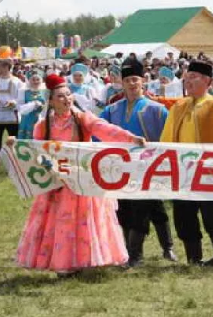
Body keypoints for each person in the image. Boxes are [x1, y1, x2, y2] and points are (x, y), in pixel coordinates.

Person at [8, 74, 145, 277]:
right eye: (61, 96)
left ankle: (85, 260)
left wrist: (130, 138)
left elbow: (105, 129)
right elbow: (33, 149)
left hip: (83, 181)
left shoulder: (82, 119)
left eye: (68, 95)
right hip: (57, 182)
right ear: (51, 101)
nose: (67, 99)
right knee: (60, 222)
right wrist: (15, 143)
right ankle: (62, 263)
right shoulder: (43, 126)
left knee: (83, 221)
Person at [160, 60, 213, 273]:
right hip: (182, 170)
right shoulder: (178, 107)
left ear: (208, 82)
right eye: (187, 76)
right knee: (184, 216)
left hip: (210, 171)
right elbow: (166, 140)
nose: (188, 80)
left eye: (194, 76)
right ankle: (193, 259)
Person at [99, 59, 176, 267]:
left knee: (151, 208)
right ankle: (129, 251)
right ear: (121, 83)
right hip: (120, 168)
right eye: (127, 80)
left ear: (143, 81)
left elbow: (168, 139)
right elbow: (98, 135)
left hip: (149, 168)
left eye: (135, 79)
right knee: (124, 209)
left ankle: (155, 250)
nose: (132, 84)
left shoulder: (157, 110)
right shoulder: (111, 110)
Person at [17, 72, 46, 139]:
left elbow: (46, 109)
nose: (35, 81)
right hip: (27, 121)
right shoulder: (23, 92)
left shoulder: (45, 92)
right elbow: (20, 109)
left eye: (38, 79)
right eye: (33, 79)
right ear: (29, 80)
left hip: (40, 121)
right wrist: (33, 104)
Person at [0, 59, 23, 139]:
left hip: (12, 116)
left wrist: (13, 103)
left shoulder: (17, 82)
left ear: (6, 67)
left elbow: (22, 98)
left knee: (13, 141)